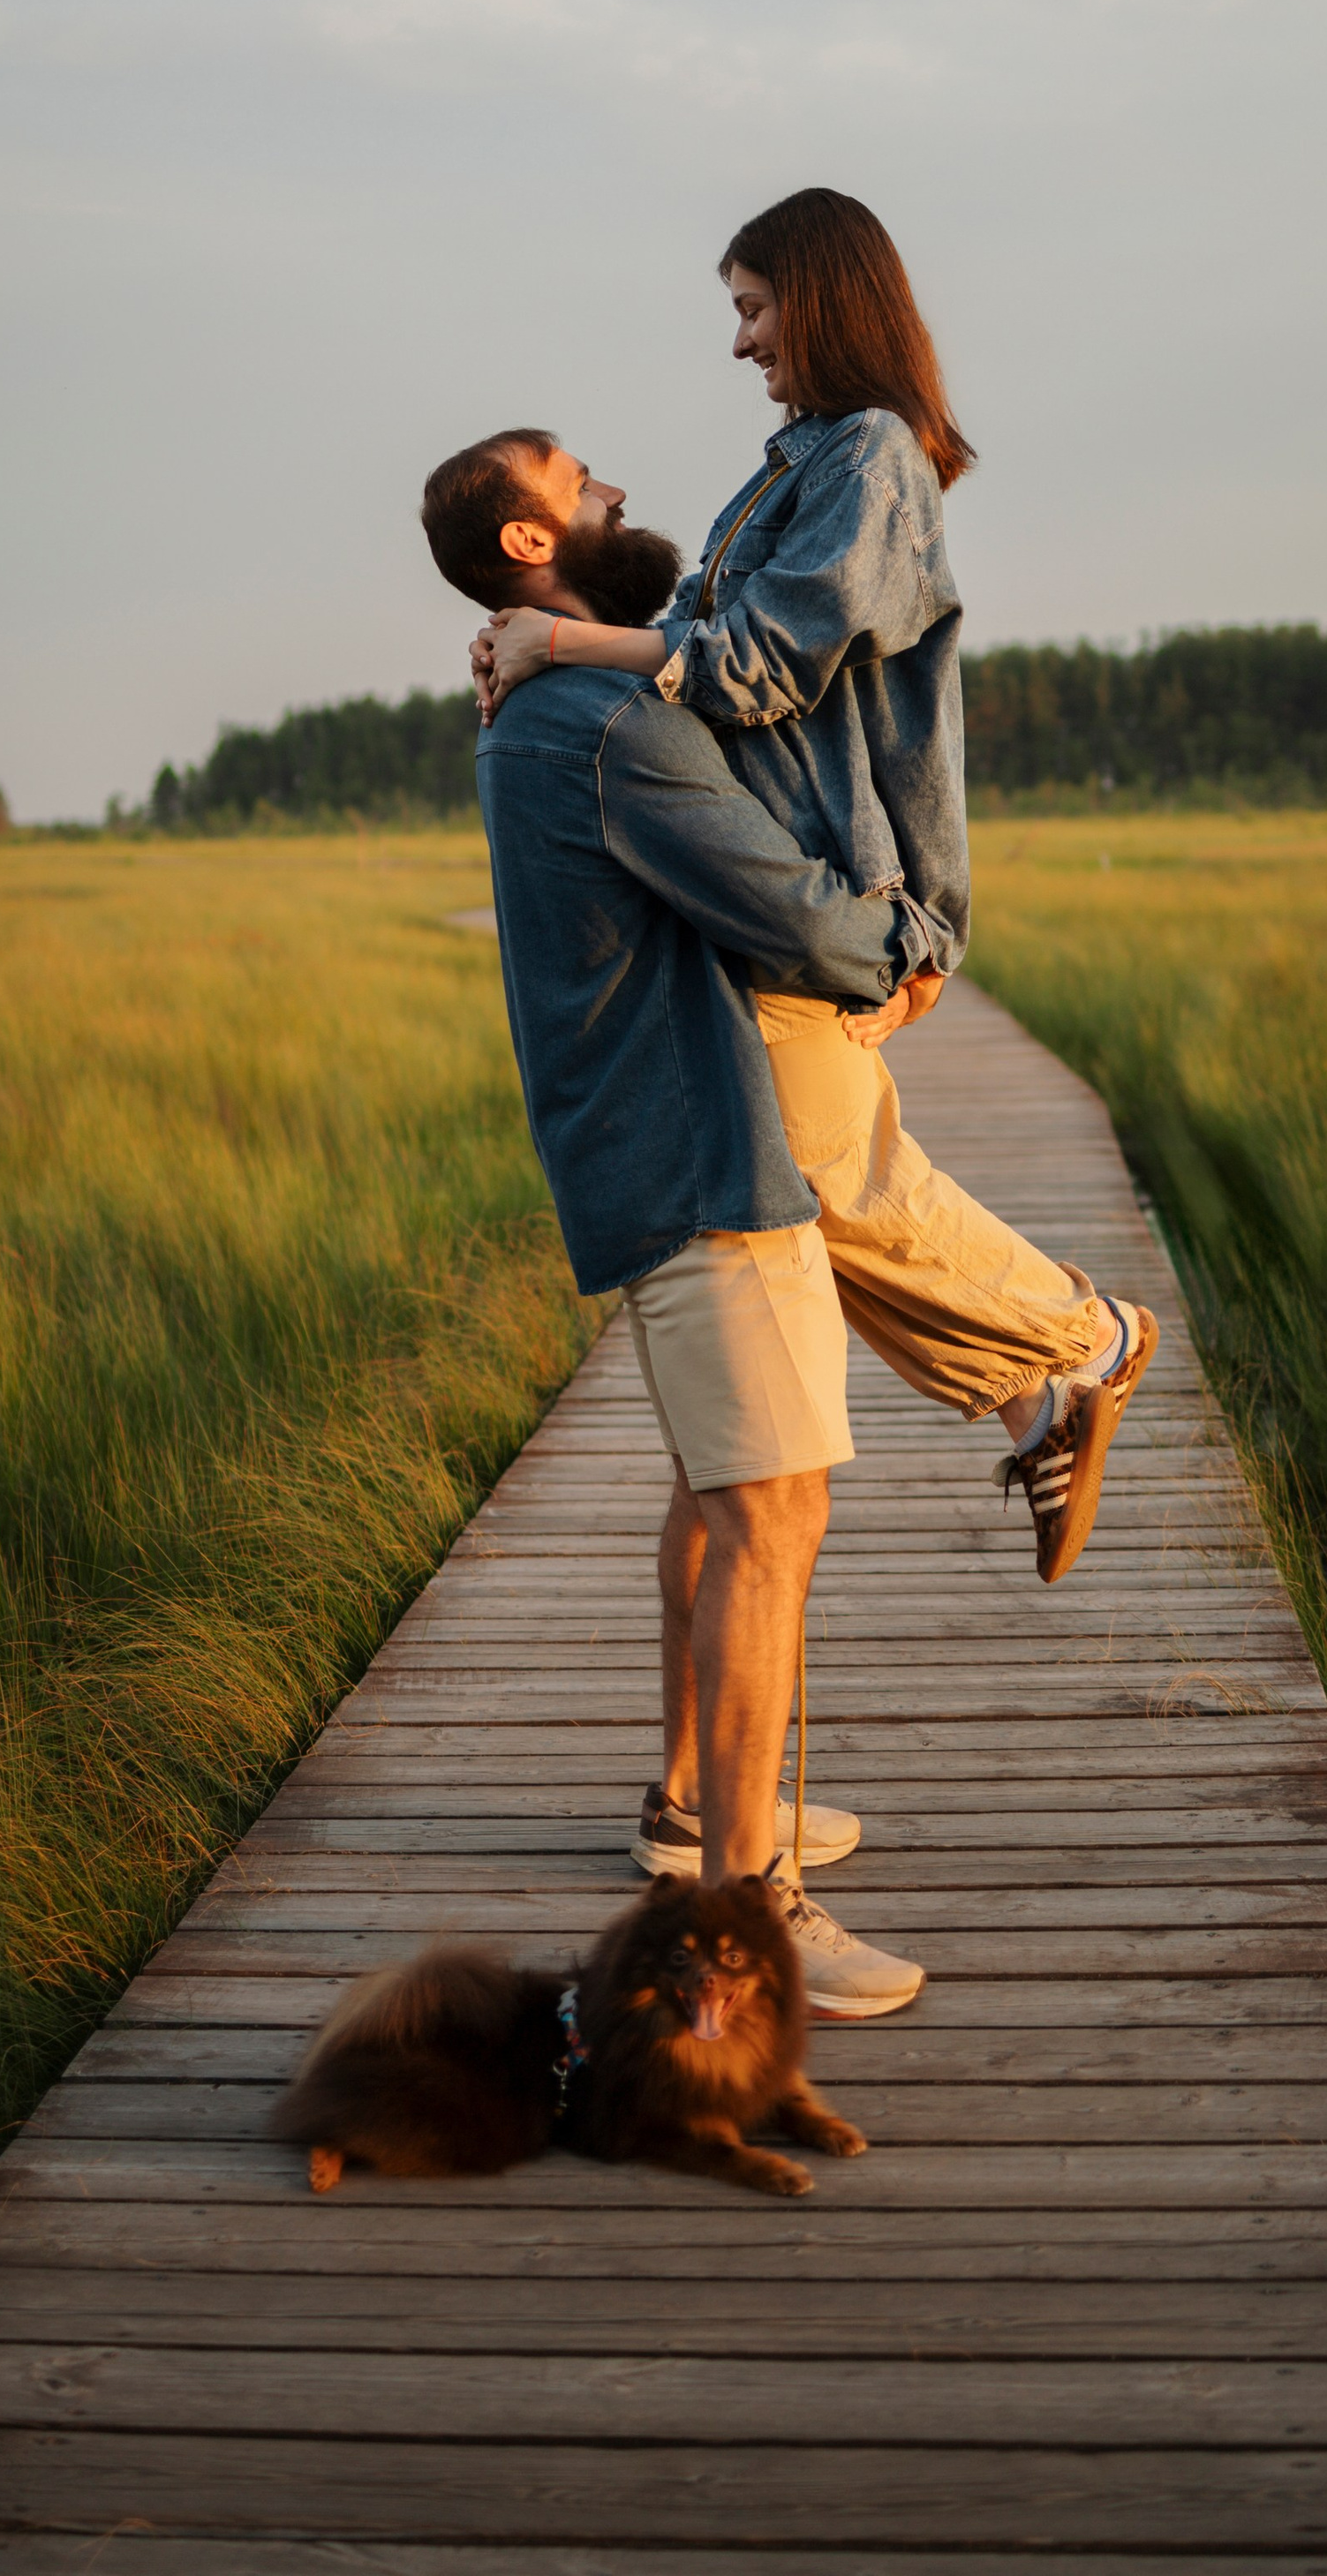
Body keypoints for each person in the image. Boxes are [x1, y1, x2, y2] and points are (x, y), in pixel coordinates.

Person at [472, 189, 1156, 1585]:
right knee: (819, 1195)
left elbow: (757, 663)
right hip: (774, 898)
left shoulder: (876, 459)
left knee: (833, 1186)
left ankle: (1085, 1344)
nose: (741, 343)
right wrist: (539, 637)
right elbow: (695, 631)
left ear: (823, 300)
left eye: (753, 308)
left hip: (837, 886)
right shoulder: (796, 467)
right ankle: (1038, 1400)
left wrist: (561, 646)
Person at [421, 425, 931, 2017]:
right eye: (580, 481)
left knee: (726, 1496)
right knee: (772, 1516)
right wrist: (900, 953)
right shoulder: (599, 726)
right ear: (529, 544)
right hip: (706, 1153)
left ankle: (694, 1803)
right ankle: (741, 1910)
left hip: (650, 1153)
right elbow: (781, 901)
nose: (617, 492)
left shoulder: (548, 708)